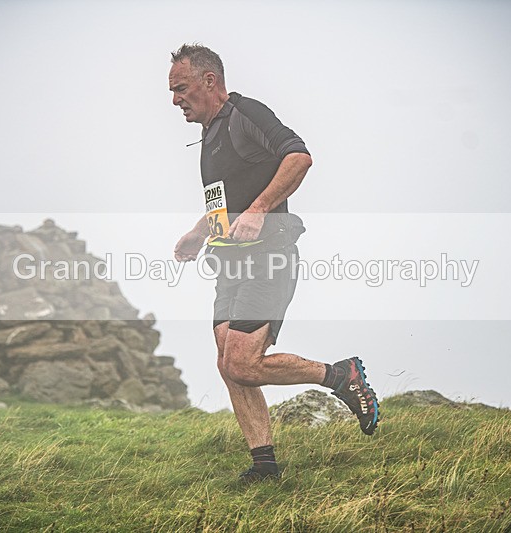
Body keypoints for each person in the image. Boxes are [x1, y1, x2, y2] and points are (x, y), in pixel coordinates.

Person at [169, 44, 379, 482]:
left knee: (243, 361)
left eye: (182, 88)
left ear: (210, 81)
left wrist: (262, 208)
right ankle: (264, 465)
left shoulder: (246, 113)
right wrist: (199, 232)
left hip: (269, 255)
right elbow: (226, 205)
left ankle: (341, 376)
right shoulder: (208, 137)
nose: (175, 100)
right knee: (228, 362)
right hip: (230, 263)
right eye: (173, 91)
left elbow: (299, 157)